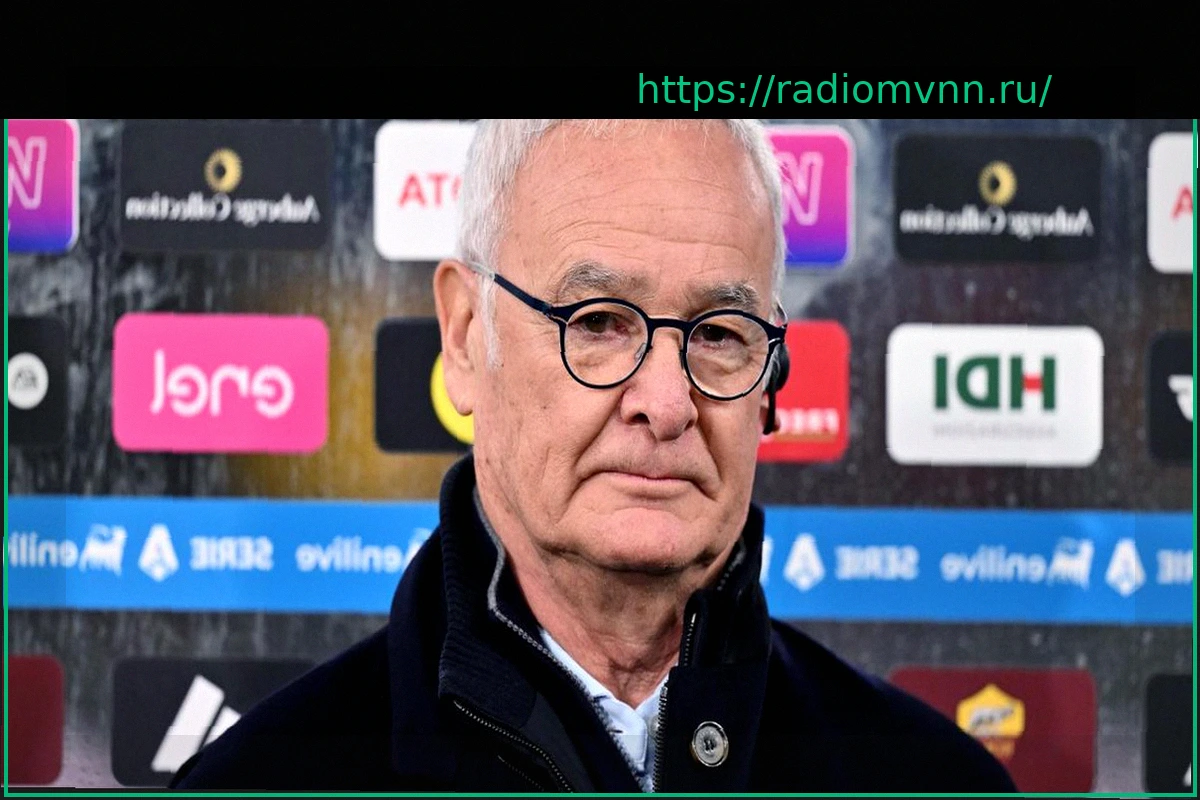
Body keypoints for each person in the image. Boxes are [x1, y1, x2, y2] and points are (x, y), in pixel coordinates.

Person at [170, 119, 1017, 792]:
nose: (667, 403)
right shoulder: (260, 783)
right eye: (600, 322)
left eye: (719, 334)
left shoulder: (934, 781)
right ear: (465, 338)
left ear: (768, 381)